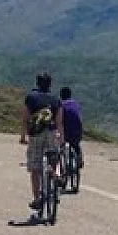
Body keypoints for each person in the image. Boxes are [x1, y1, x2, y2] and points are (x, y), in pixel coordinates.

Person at [20, 72, 63, 211]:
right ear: (50, 84)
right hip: (51, 132)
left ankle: (37, 199)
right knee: (53, 156)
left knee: (35, 168)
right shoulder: (56, 99)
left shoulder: (31, 97)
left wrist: (23, 136)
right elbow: (59, 122)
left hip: (36, 134)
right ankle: (56, 174)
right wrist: (60, 136)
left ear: (37, 83)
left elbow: (25, 119)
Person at [59, 87, 83, 169]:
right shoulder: (76, 104)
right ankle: (79, 158)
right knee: (76, 145)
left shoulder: (61, 105)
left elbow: (59, 121)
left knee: (62, 144)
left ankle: (65, 163)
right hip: (78, 132)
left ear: (61, 96)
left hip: (67, 133)